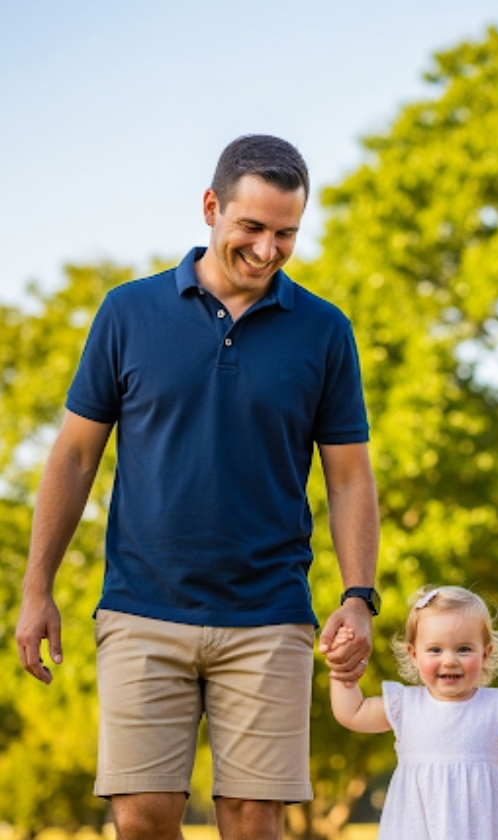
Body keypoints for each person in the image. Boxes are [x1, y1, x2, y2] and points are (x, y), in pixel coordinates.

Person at [15, 134, 381, 840]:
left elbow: (349, 476)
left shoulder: (325, 331)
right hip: (143, 607)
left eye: (286, 234)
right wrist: (38, 589)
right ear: (212, 208)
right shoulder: (128, 312)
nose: (268, 249)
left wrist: (359, 596)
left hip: (270, 611)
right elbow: (72, 458)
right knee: (143, 819)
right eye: (252, 227)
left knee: (253, 821)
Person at [329, 585, 498, 840]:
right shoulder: (404, 704)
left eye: (463, 649)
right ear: (414, 655)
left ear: (486, 654)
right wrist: (343, 674)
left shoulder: (497, 706)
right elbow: (352, 712)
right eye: (435, 650)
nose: (449, 660)